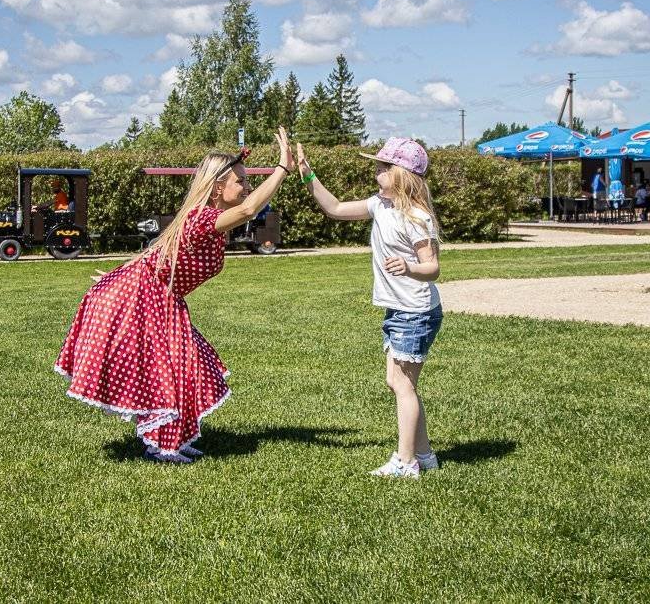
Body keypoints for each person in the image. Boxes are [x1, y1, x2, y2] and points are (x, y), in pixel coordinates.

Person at [55, 128, 297, 463]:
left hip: (160, 298)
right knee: (167, 371)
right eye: (241, 181)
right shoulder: (202, 219)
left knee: (189, 367)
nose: (248, 187)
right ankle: (161, 444)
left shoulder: (209, 220)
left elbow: (158, 251)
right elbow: (247, 210)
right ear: (217, 188)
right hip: (143, 299)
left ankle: (173, 438)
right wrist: (282, 168)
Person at [297, 137, 442, 478]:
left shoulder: (416, 217)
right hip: (400, 309)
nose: (376, 173)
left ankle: (406, 462)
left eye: (383, 168)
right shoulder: (380, 205)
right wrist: (307, 175)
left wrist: (408, 268)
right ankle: (424, 454)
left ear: (404, 175)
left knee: (400, 384)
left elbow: (432, 267)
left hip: (415, 311)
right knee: (400, 383)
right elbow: (333, 208)